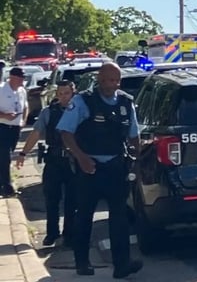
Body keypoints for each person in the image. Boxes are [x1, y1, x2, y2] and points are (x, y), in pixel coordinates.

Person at [58, 62, 143, 278]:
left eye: (114, 80)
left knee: (119, 216)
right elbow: (66, 133)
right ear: (99, 80)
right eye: (105, 80)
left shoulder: (126, 102)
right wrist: (81, 158)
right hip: (90, 169)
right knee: (84, 215)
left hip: (116, 167)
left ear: (119, 82)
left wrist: (137, 160)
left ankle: (122, 265)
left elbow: (134, 135)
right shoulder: (83, 101)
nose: (109, 84)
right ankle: (82, 262)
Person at [17, 76, 77, 245]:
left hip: (74, 161)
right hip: (54, 160)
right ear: (56, 94)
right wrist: (23, 153)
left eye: (67, 93)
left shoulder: (80, 111)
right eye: (60, 93)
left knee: (72, 200)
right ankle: (52, 233)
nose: (64, 97)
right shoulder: (49, 112)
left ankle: (69, 234)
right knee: (51, 199)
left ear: (73, 93)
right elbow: (36, 133)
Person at [0, 66, 28, 198]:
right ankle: (7, 187)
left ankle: (3, 183)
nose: (22, 80)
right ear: (12, 77)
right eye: (20, 78)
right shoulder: (1, 90)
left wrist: (23, 121)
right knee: (4, 156)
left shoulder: (22, 91)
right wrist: (4, 116)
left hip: (15, 128)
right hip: (2, 127)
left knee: (7, 156)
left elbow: (26, 106)